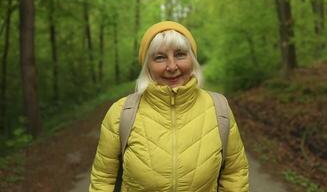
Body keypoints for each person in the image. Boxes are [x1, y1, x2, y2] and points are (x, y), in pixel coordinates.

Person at [89, 21, 249, 192]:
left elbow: (235, 173)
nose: (172, 67)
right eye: (160, 57)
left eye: (180, 54)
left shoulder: (219, 108)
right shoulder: (121, 113)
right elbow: (102, 179)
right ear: (147, 66)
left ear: (192, 59)